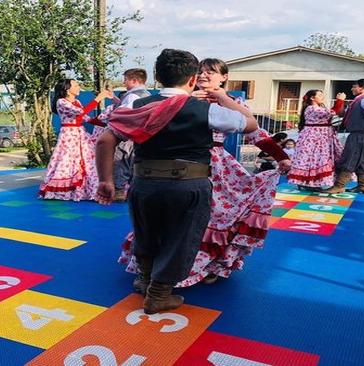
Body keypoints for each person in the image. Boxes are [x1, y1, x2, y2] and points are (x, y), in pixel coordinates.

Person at [95, 49, 259, 314]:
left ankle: (145, 280)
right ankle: (159, 294)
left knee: (146, 233)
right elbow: (250, 124)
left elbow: (105, 140)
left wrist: (106, 180)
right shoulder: (204, 110)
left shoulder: (137, 104)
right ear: (193, 79)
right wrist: (222, 97)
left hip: (144, 183)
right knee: (181, 239)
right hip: (188, 186)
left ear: (158, 77)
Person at [118, 58, 289, 288]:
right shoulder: (181, 97)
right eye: (201, 71)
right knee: (167, 219)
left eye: (211, 72)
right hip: (177, 163)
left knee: (214, 219)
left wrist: (281, 156)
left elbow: (255, 132)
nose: (204, 75)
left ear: (224, 77)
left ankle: (205, 266)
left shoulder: (232, 103)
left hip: (219, 171)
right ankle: (154, 271)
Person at [38, 79, 112, 201]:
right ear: (67, 89)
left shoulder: (76, 101)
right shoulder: (61, 102)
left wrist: (107, 124)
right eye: (76, 85)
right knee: (67, 161)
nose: (79, 87)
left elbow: (85, 117)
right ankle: (65, 190)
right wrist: (98, 98)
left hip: (80, 134)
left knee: (88, 161)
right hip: (69, 135)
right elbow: (81, 112)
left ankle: (88, 190)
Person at [324, 79, 364, 194]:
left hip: (360, 134)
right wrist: (340, 101)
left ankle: (340, 185)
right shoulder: (357, 101)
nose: (352, 89)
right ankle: (363, 185)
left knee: (350, 158)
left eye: (354, 86)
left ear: (362, 88)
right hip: (360, 133)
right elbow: (342, 114)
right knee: (363, 159)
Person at [288, 89, 345, 190]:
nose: (322, 97)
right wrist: (339, 100)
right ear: (312, 98)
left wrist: (339, 102)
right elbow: (332, 112)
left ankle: (314, 182)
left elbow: (335, 113)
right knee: (312, 159)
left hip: (321, 137)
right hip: (314, 138)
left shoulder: (318, 108)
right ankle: (307, 182)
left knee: (319, 159)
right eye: (320, 95)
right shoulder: (311, 108)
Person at [112, 69, 151, 201]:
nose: (124, 82)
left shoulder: (132, 96)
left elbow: (124, 116)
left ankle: (119, 191)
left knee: (120, 161)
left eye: (126, 79)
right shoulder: (147, 95)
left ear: (134, 81)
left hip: (128, 135)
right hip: (142, 136)